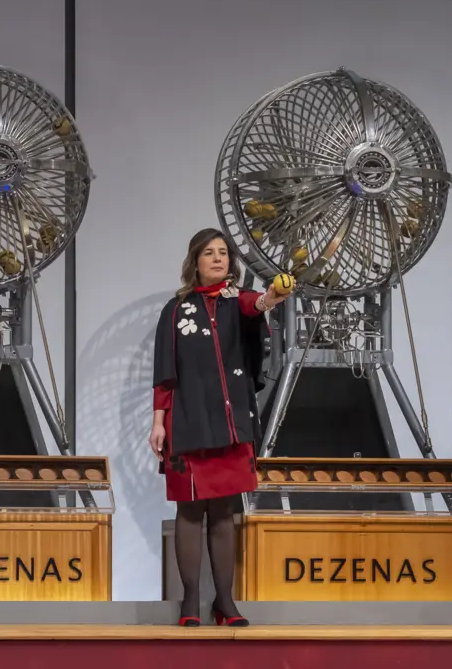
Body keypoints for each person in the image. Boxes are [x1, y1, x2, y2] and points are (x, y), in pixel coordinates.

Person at [150, 227, 291, 627]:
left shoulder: (239, 302)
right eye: (209, 253)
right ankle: (190, 601)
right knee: (190, 512)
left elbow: (258, 304)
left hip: (232, 423)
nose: (218, 258)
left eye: (224, 253)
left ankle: (225, 603)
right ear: (195, 261)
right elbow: (164, 372)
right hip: (188, 422)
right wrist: (158, 422)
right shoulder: (175, 310)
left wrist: (272, 298)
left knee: (225, 513)